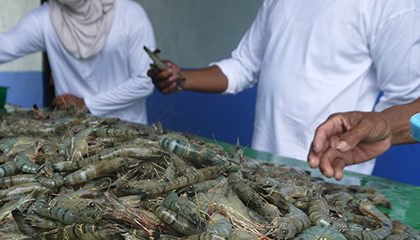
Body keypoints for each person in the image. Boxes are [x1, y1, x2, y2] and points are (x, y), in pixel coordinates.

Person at [148, 0, 420, 175]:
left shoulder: (392, 5)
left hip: (331, 182)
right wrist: (181, 79)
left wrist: (380, 127)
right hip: (261, 175)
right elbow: (243, 65)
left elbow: (413, 103)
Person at [0, 0, 156, 125]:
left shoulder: (130, 14)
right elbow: (7, 44)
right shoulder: (46, 18)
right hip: (74, 133)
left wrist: (89, 103)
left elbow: (144, 82)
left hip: (129, 131)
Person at [307, 98, 420, 181]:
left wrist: (390, 127)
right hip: (309, 165)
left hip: (342, 178)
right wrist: (388, 128)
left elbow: (404, 94)